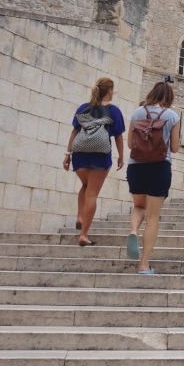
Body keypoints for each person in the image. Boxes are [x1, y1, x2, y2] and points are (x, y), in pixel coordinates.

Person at [125, 81, 180, 274]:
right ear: (169, 98)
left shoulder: (136, 113)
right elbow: (174, 148)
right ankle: (144, 264)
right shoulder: (172, 116)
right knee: (153, 218)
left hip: (136, 167)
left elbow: (131, 144)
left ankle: (133, 230)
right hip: (159, 167)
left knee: (139, 206)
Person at [63, 77, 125, 247]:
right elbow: (118, 136)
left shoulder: (84, 108)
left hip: (80, 155)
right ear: (109, 90)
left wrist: (67, 154)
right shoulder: (114, 111)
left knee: (85, 186)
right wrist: (121, 156)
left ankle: (79, 216)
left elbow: (74, 131)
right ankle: (83, 235)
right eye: (112, 89)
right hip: (100, 156)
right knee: (92, 194)